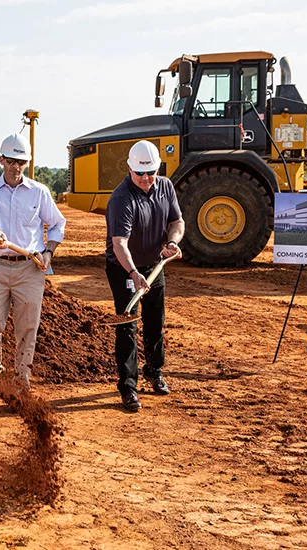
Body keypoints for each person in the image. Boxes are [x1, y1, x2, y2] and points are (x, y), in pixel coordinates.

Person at [0, 133, 66, 399]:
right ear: (1, 160)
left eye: (21, 162)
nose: (16, 167)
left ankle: (21, 379)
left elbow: (58, 224)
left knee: (27, 327)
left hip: (30, 268)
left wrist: (49, 251)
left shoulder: (39, 193)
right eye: (11, 161)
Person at [105, 140, 185, 412]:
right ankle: (128, 387)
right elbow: (120, 244)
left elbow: (177, 221)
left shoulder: (165, 187)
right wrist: (133, 272)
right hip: (124, 268)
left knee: (155, 319)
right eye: (140, 173)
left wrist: (173, 242)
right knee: (127, 323)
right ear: (129, 168)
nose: (146, 178)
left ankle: (154, 370)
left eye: (151, 172)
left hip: (154, 265)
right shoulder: (121, 199)